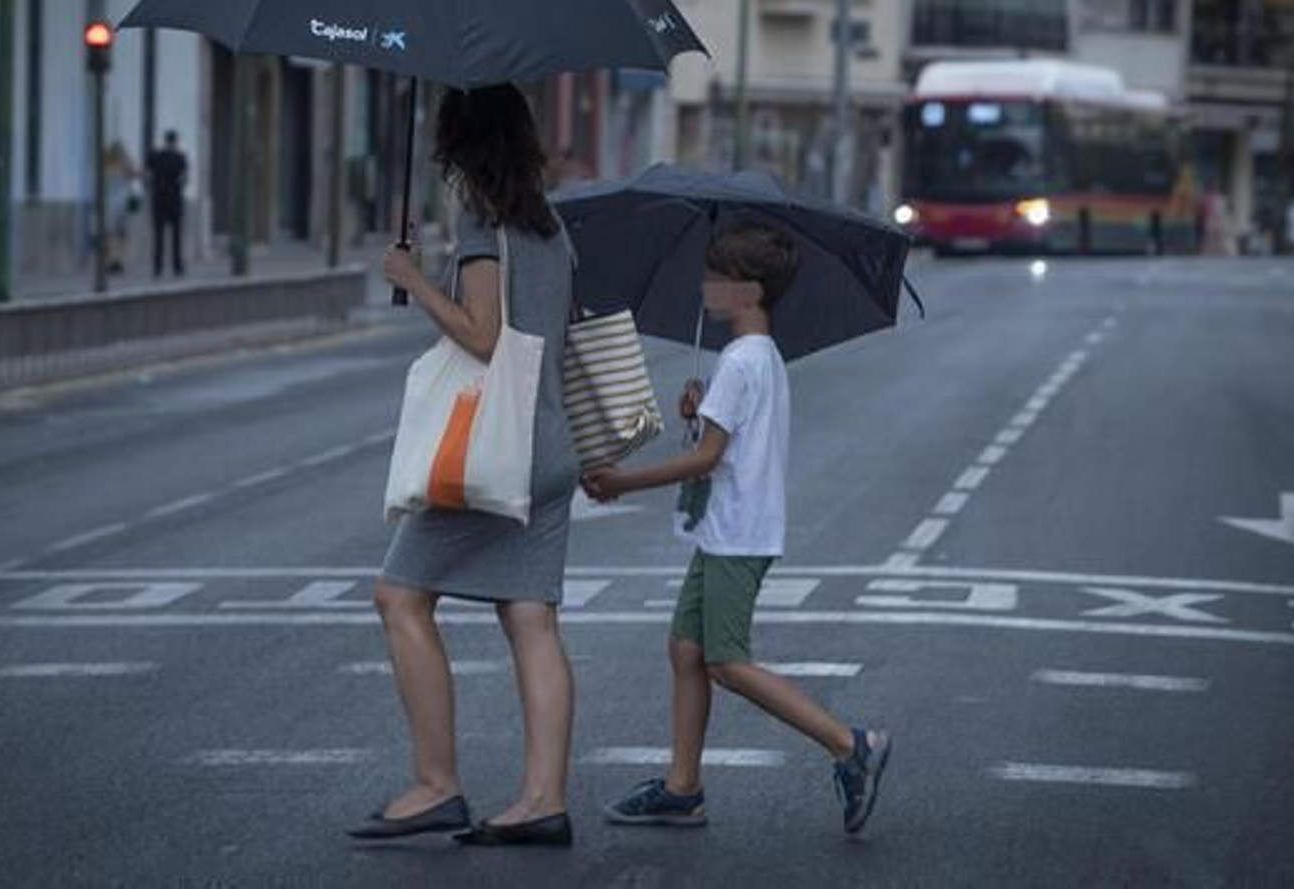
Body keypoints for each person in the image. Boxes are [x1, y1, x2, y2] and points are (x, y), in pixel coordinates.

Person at [582, 224, 892, 837]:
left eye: (716, 278)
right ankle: (682, 787)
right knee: (686, 650)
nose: (705, 286)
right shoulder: (759, 356)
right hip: (727, 530)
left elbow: (707, 460)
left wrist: (623, 481)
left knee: (725, 661)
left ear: (748, 291)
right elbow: (724, 442)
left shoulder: (741, 360)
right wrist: (698, 415)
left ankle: (848, 743)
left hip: (739, 534)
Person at [354, 84, 580, 849]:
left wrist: (415, 280)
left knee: (399, 595)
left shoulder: (484, 225)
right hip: (550, 444)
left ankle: (435, 782)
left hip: (494, 447)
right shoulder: (551, 230)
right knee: (530, 618)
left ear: (460, 145)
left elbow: (483, 336)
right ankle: (543, 798)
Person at [145, 130, 187, 277]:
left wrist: (155, 186)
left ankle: (157, 267)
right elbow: (183, 179)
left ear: (165, 140)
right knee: (176, 236)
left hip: (159, 199)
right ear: (175, 142)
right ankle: (177, 267)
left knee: (159, 236)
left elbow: (148, 176)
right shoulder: (180, 158)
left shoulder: (155, 157)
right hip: (175, 200)